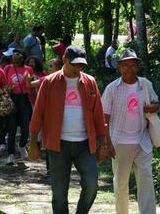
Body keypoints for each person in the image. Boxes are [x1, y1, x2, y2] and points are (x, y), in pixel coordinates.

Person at [28, 45, 107, 214]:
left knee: (92, 184)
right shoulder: (49, 82)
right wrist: (33, 142)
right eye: (75, 64)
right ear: (64, 60)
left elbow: (98, 116)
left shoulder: (90, 82)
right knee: (59, 194)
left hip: (85, 145)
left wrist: (103, 144)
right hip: (58, 145)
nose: (78, 68)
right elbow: (38, 114)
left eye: (81, 65)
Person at [101, 48, 160, 214]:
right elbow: (104, 119)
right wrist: (107, 143)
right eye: (125, 66)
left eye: (133, 65)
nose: (129, 69)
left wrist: (153, 107)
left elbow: (156, 103)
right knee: (120, 184)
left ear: (138, 66)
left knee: (146, 182)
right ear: (119, 67)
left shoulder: (146, 85)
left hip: (142, 140)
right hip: (119, 142)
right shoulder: (112, 89)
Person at [3, 49, 34, 164]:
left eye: (18, 54)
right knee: (12, 128)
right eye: (14, 53)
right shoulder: (7, 68)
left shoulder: (28, 69)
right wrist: (7, 89)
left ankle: (22, 146)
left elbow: (30, 86)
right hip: (11, 100)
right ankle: (10, 154)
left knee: (25, 127)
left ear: (22, 58)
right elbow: (2, 83)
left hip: (24, 100)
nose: (15, 55)